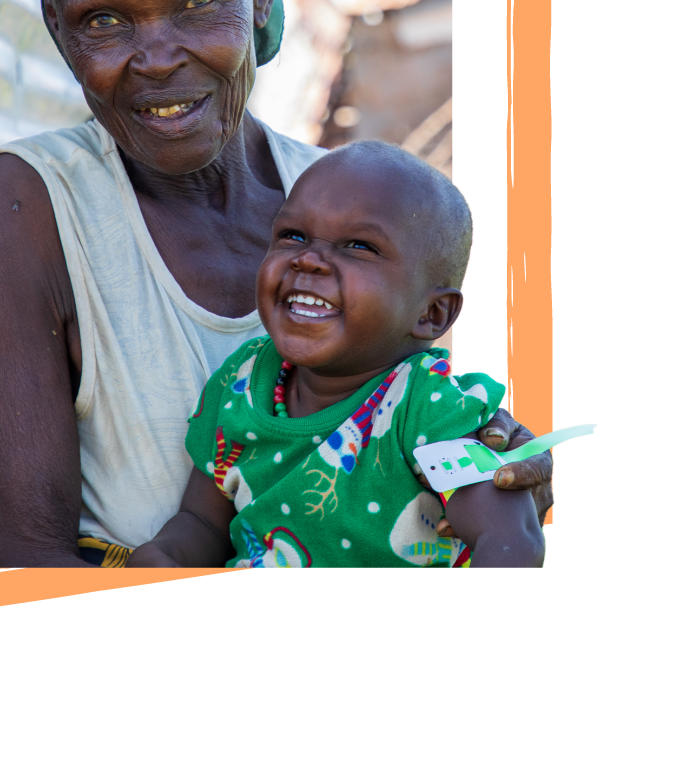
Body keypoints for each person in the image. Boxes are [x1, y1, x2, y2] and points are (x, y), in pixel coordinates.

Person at [0, 0, 553, 571]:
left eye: (198, 0)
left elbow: (418, 432)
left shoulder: (357, 206)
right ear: (56, 26)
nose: (157, 57)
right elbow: (21, 558)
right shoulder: (26, 204)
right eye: (103, 18)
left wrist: (495, 471)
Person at [125, 141, 545, 568]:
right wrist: (163, 554)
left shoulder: (427, 409)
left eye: (359, 246)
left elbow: (512, 542)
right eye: (292, 235)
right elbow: (203, 523)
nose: (308, 259)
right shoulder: (241, 382)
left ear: (431, 313)